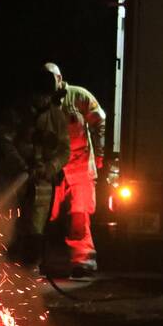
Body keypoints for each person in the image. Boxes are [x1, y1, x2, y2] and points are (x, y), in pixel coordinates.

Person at [0, 68, 71, 274]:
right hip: (16, 180)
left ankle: (30, 268)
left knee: (36, 228)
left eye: (46, 96)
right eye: (38, 95)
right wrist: (20, 164)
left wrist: (50, 167)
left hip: (42, 183)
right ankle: (5, 267)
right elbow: (4, 140)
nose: (42, 100)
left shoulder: (56, 117)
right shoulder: (17, 113)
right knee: (10, 223)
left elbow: (65, 150)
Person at [43, 63, 106, 275]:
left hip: (80, 167)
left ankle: (83, 260)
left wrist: (99, 154)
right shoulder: (42, 100)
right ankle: (45, 259)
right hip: (53, 168)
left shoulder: (78, 96)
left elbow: (99, 120)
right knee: (46, 215)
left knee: (79, 215)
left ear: (59, 78)